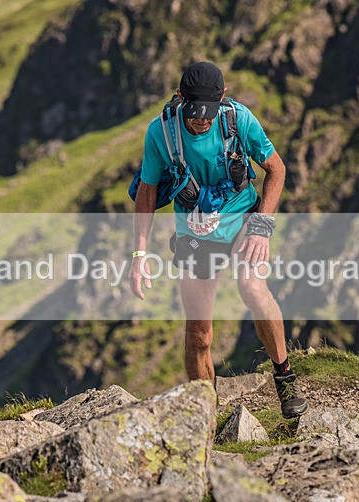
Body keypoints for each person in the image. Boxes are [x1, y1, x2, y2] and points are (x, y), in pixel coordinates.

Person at [128, 61, 307, 418]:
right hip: (194, 232)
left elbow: (277, 168)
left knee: (252, 288)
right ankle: (204, 417)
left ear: (222, 98)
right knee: (199, 336)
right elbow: (147, 190)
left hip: (243, 218)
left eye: (208, 113)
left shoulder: (238, 119)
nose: (201, 121)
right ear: (180, 99)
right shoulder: (160, 133)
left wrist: (262, 224)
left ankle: (285, 381)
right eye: (194, 113)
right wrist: (139, 252)